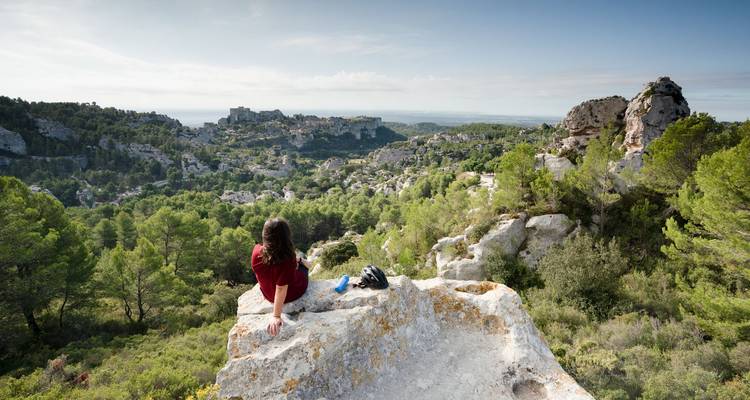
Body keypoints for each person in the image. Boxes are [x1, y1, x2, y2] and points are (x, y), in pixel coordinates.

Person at [251, 218, 311, 337]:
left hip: (267, 293)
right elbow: (281, 288)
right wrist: (276, 316)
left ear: (265, 235)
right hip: (291, 294)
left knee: (296, 259)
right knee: (303, 261)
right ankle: (301, 260)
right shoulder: (288, 259)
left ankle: (300, 260)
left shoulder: (256, 252)